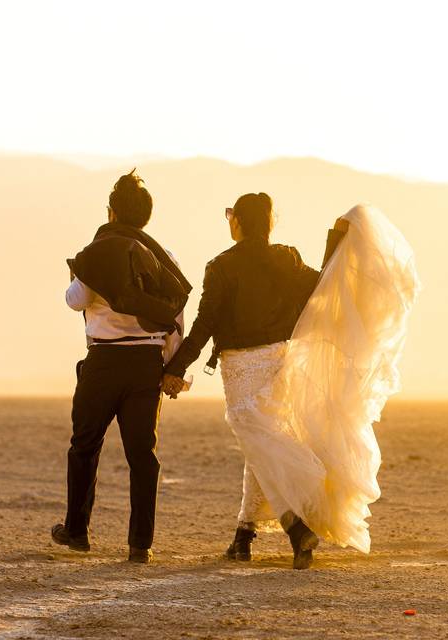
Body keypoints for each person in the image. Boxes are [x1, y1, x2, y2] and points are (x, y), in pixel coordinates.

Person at [162, 193, 419, 569]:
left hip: (241, 369)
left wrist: (175, 368)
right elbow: (321, 288)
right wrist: (336, 241)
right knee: (261, 449)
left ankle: (297, 529)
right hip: (279, 363)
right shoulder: (286, 259)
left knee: (259, 442)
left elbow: (205, 323)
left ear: (238, 223)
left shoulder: (221, 266)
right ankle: (243, 537)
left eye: (231, 216)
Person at [51, 170, 190, 563]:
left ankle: (76, 532)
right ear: (146, 216)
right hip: (146, 362)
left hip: (104, 361)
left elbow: (74, 301)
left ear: (111, 213)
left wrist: (77, 274)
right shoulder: (166, 258)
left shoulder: (95, 252)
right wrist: (170, 366)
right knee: (143, 455)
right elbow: (175, 318)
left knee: (84, 447)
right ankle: (139, 545)